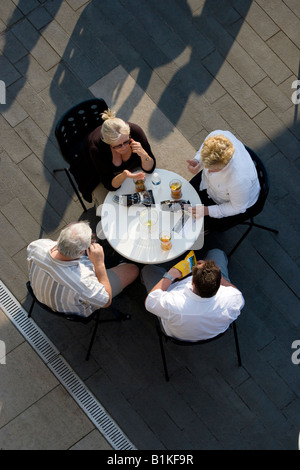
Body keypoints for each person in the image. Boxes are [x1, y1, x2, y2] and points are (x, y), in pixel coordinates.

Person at [27, 221, 139, 317]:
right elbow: (106, 301)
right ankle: (121, 263)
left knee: (74, 224)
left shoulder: (37, 246)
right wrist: (99, 264)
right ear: (82, 252)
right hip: (72, 310)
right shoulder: (84, 279)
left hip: (40, 294)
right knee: (133, 270)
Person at [142, 249, 244, 341]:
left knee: (148, 270)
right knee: (217, 253)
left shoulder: (174, 302)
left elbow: (151, 301)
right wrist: (214, 273)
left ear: (192, 282)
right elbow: (234, 291)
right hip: (214, 332)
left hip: (176, 334)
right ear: (218, 284)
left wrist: (171, 275)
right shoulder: (233, 298)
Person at [186, 130, 260, 232]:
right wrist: (197, 161)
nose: (208, 171)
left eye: (213, 169)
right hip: (208, 184)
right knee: (184, 195)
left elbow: (238, 208)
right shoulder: (216, 136)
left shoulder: (240, 181)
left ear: (225, 164)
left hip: (229, 202)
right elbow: (202, 152)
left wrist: (208, 211)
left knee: (196, 229)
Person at [84, 109, 156, 191]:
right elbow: (109, 185)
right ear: (108, 143)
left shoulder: (136, 132)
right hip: (96, 173)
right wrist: (124, 175)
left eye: (126, 142)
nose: (124, 147)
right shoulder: (97, 148)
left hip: (135, 173)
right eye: (118, 146)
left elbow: (150, 169)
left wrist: (144, 155)